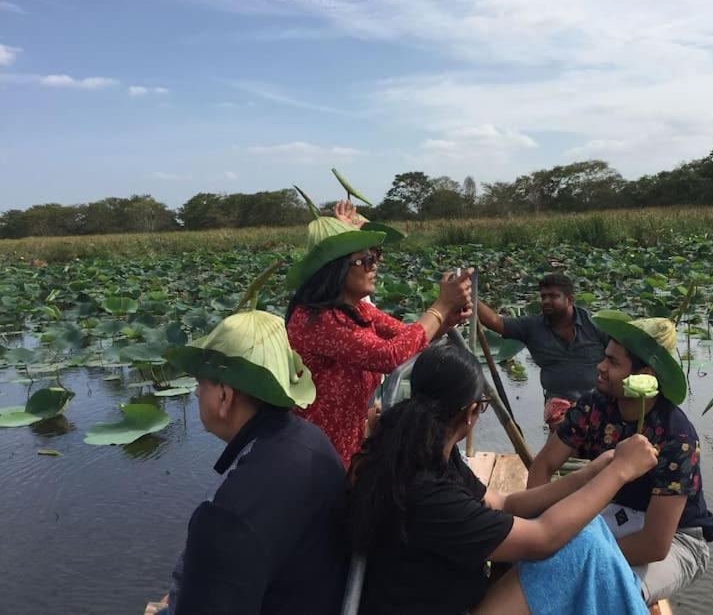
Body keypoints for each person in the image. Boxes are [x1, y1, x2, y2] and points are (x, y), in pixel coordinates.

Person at [347, 343, 660, 615]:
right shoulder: (429, 493)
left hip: (442, 594)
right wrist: (620, 473)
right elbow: (543, 537)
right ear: (471, 412)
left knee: (587, 531)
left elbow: (504, 503)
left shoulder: (423, 451)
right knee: (582, 546)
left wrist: (590, 474)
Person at [161, 306, 348, 615]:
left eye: (201, 383)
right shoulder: (314, 441)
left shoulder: (225, 517)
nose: (195, 393)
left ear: (224, 396)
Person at [527, 317, 713, 605]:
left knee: (610, 594)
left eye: (613, 364)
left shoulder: (676, 436)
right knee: (536, 568)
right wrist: (534, 531)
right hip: (617, 512)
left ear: (646, 375)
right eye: (605, 358)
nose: (601, 368)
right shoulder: (594, 406)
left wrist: (578, 557)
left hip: (676, 539)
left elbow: (655, 544)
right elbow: (543, 466)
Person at [284, 228, 472, 466]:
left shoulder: (357, 310)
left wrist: (445, 322)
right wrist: (441, 305)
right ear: (337, 270)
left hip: (345, 447)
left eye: (376, 256)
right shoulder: (318, 320)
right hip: (315, 455)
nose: (374, 266)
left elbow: (406, 338)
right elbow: (389, 355)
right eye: (366, 260)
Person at [477, 273, 610, 431]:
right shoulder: (532, 327)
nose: (546, 301)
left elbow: (620, 359)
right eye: (543, 296)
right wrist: (469, 297)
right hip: (558, 405)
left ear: (570, 299)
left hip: (598, 401)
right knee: (563, 440)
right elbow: (496, 322)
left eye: (553, 296)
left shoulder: (596, 324)